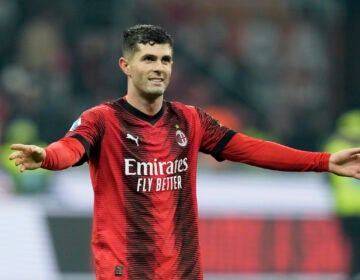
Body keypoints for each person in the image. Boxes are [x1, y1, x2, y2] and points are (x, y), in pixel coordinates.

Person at [8, 24, 360, 280]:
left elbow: (250, 149)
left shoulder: (190, 120)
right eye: (148, 58)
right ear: (125, 66)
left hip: (183, 269)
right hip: (125, 270)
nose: (159, 67)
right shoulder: (102, 119)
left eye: (165, 59)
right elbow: (71, 147)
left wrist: (325, 161)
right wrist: (47, 158)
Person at [323, 110, 360, 280]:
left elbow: (326, 178)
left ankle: (352, 275)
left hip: (345, 208)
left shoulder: (334, 146)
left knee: (353, 246)